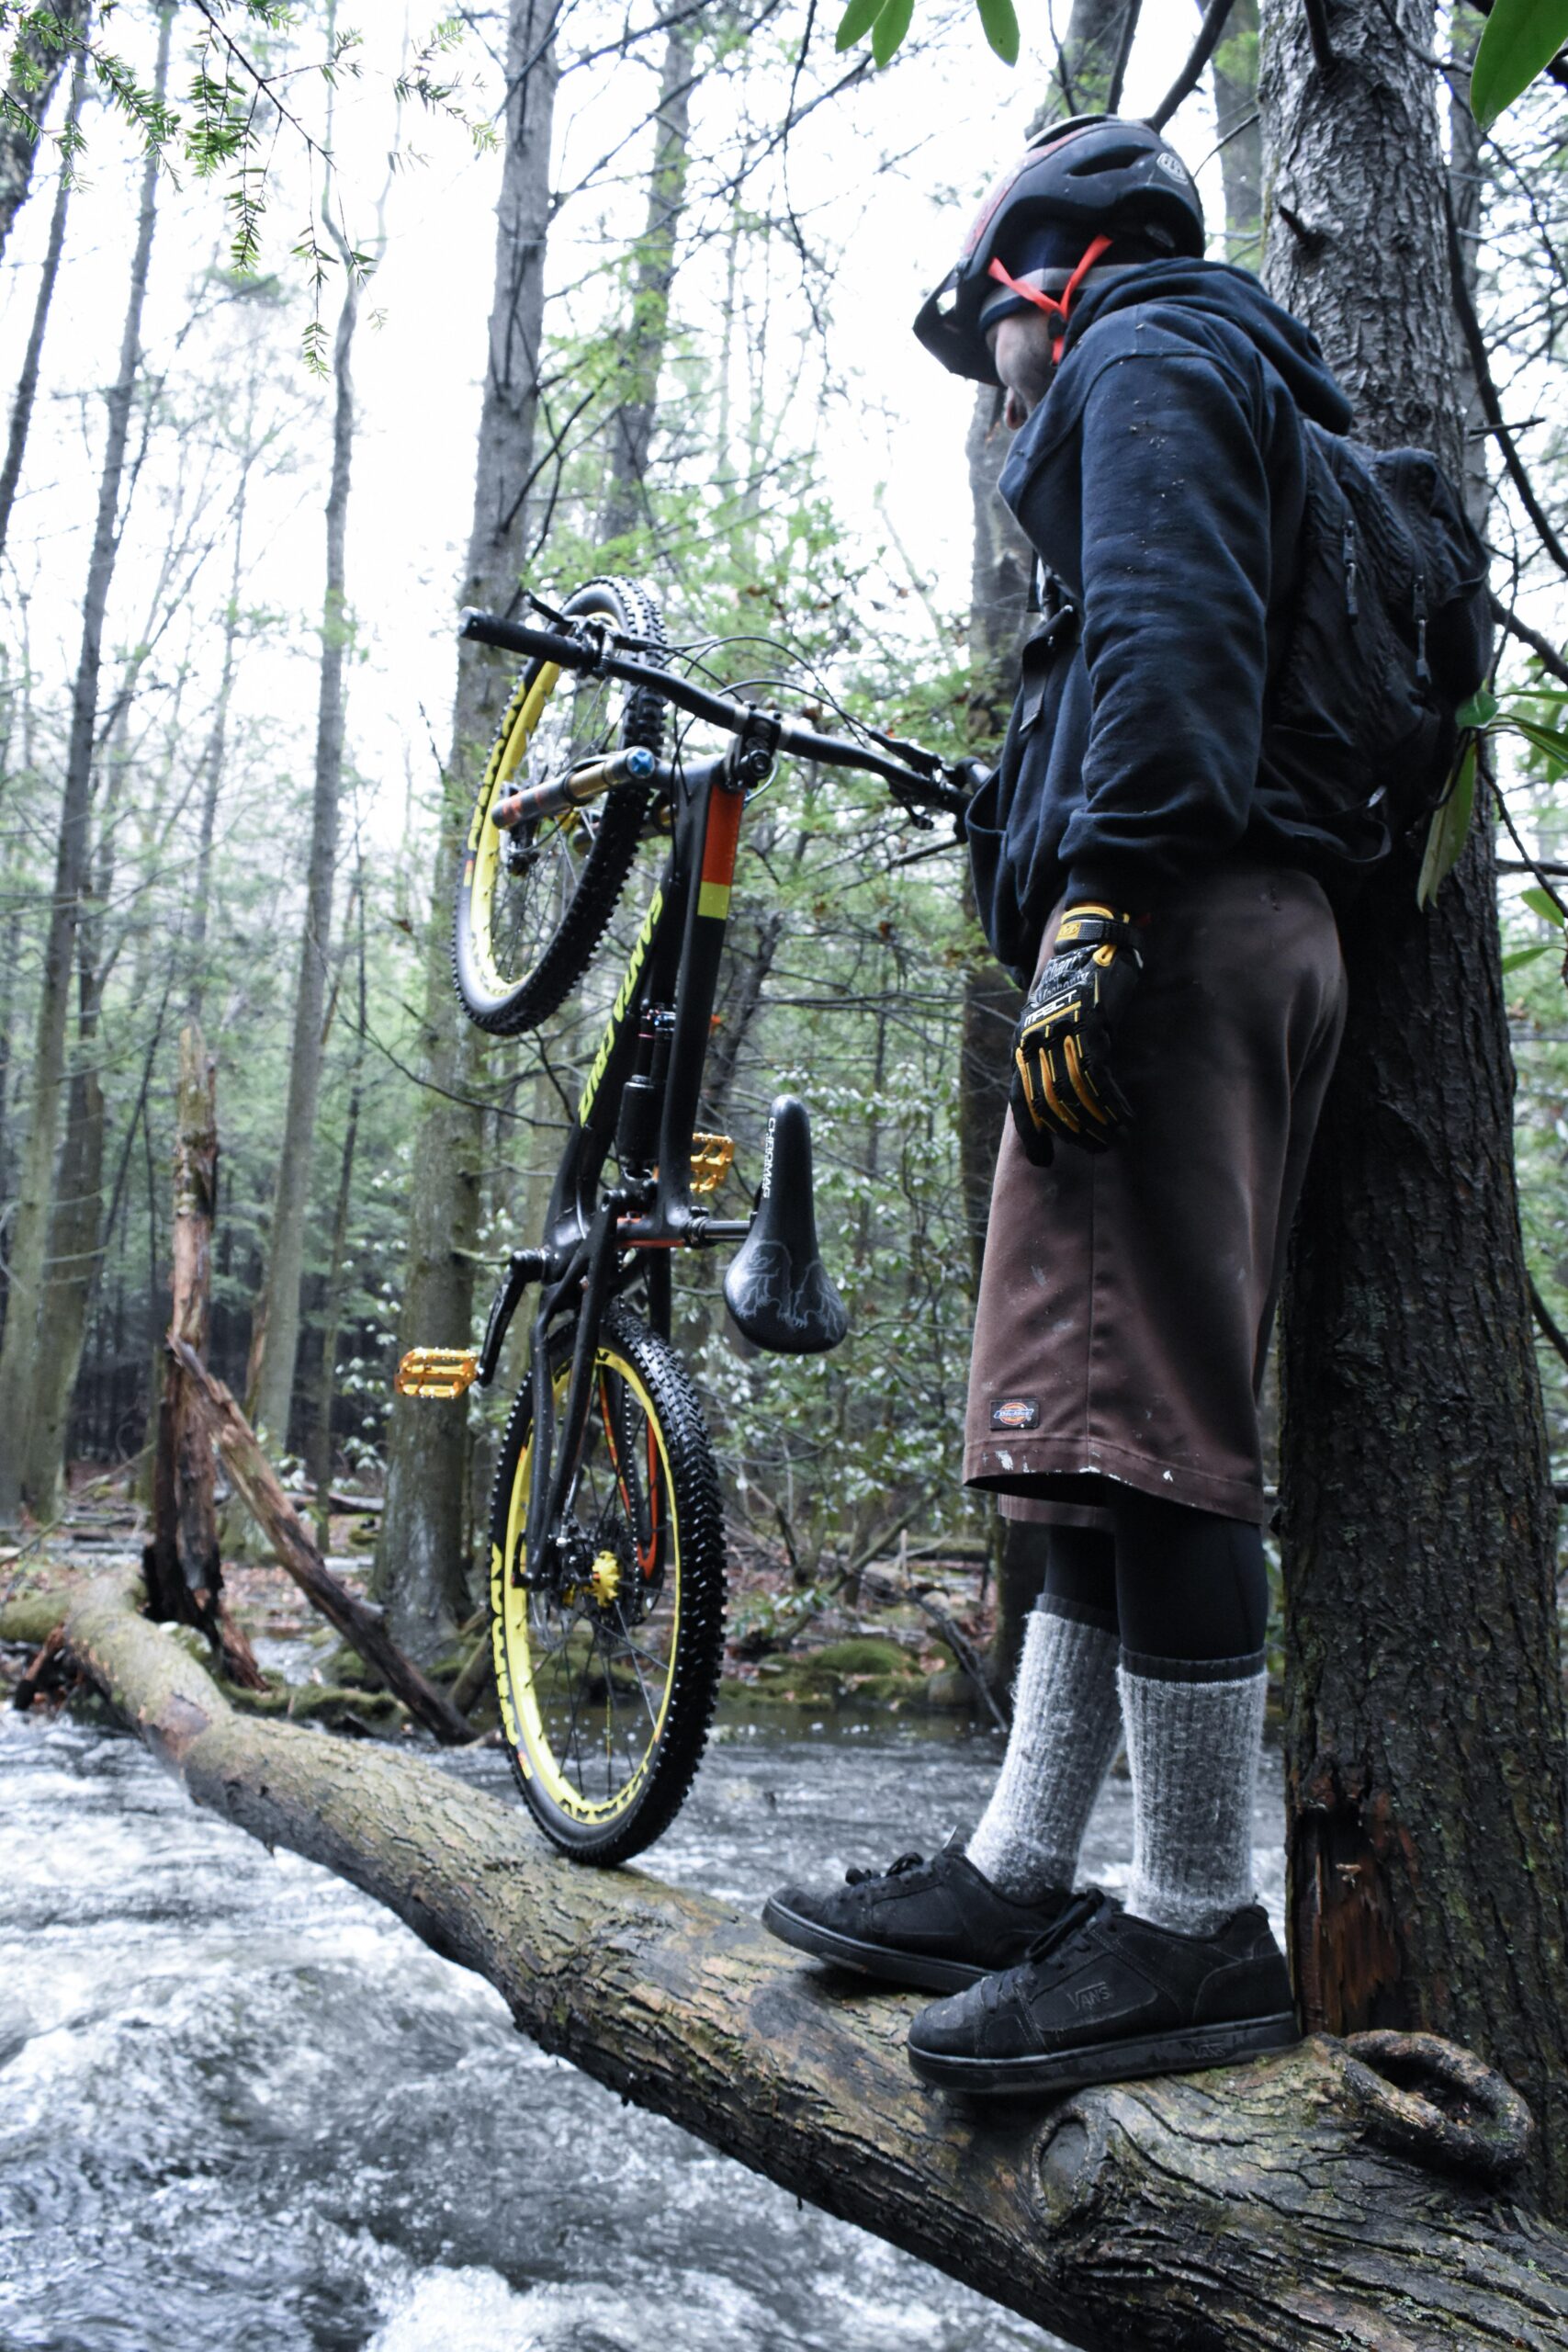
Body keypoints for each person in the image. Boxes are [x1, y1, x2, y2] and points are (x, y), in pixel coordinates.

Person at [763, 115, 1364, 2098]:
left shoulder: (1150, 349)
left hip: (1168, 925)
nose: (996, 374)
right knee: (1091, 1440)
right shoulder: (1212, 369)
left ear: (1047, 269)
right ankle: (1033, 1867)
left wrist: (1097, 899)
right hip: (1208, 916)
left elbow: (1173, 634)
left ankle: (1193, 1921)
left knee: (1151, 1432)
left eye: (990, 332)